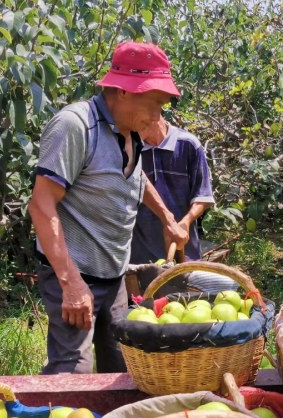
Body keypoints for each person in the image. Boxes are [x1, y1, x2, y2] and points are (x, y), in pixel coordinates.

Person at [28, 41, 188, 374]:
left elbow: (133, 176)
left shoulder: (130, 130)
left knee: (123, 366)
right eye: (155, 103)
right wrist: (71, 284)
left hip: (114, 273)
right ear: (125, 91)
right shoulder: (75, 126)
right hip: (74, 272)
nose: (159, 115)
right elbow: (41, 206)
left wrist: (167, 218)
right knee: (73, 372)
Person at [129, 116, 214, 264]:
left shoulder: (188, 145)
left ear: (154, 114)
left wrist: (185, 222)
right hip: (140, 260)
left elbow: (202, 196)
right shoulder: (131, 148)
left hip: (185, 255)